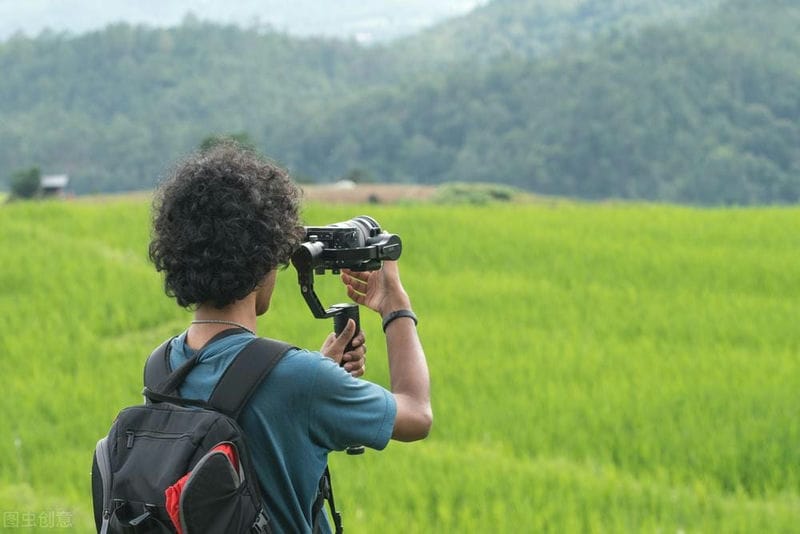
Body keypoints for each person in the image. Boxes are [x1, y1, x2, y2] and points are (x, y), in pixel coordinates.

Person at [147, 143, 432, 533]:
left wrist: (312, 376)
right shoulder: (299, 380)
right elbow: (417, 415)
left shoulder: (162, 366)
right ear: (266, 257)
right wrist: (395, 305)